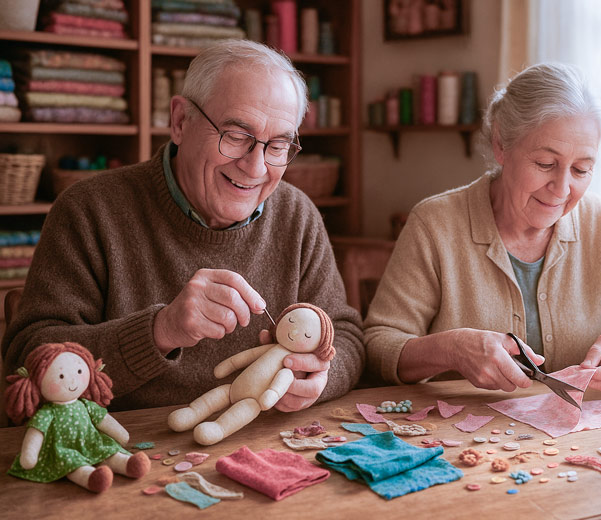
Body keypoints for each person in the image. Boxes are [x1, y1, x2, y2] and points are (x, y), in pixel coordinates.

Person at [2, 40, 364, 414]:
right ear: (180, 122)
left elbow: (348, 337)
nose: (256, 169)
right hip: (126, 452)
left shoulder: (297, 215)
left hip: (263, 443)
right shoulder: (89, 210)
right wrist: (160, 331)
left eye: (277, 146)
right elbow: (26, 363)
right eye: (236, 136)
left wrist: (318, 378)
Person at [364, 63, 601, 393]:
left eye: (581, 169)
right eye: (545, 164)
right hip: (462, 437)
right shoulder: (435, 225)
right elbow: (377, 346)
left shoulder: (600, 222)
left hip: (574, 441)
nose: (561, 189)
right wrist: (451, 350)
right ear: (501, 144)